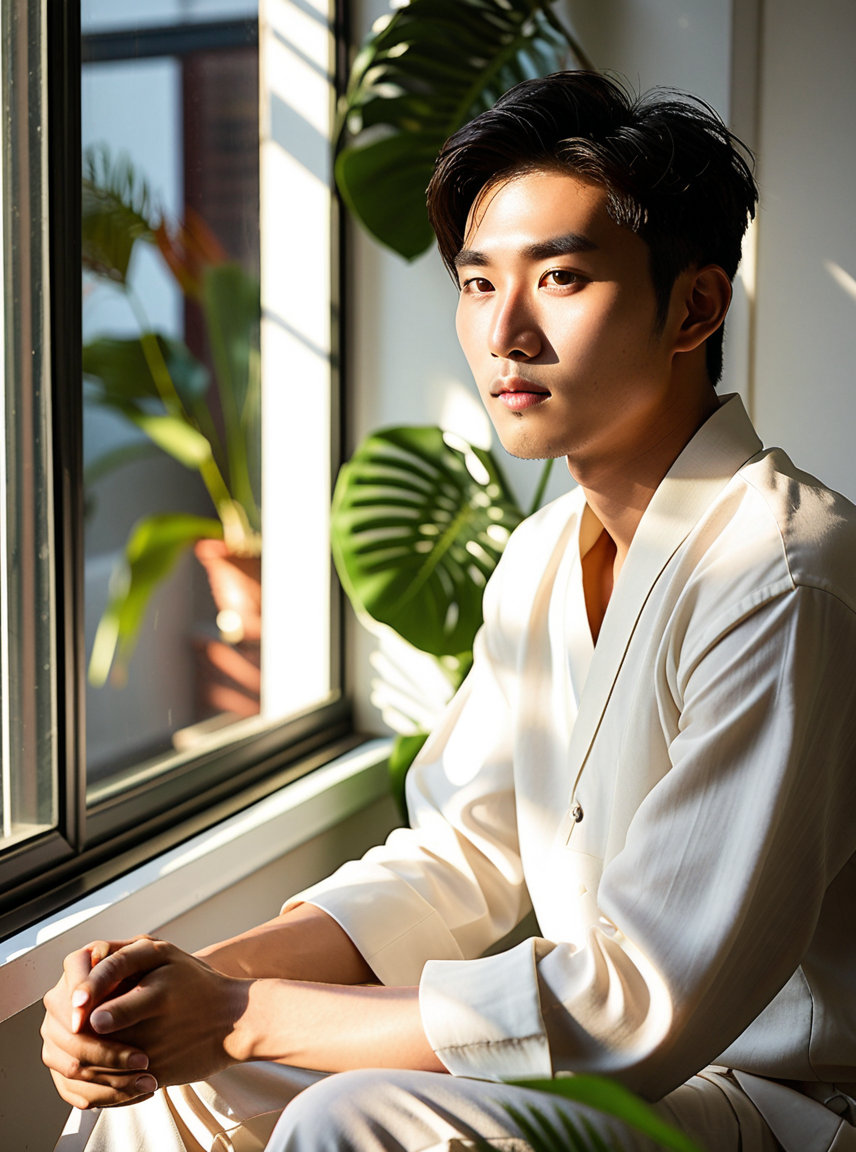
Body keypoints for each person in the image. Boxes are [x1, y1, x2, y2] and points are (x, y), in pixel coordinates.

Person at [42, 71, 856, 1151]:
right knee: (175, 1081)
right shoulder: (539, 558)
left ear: (693, 306)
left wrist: (243, 1017)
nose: (503, 332)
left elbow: (639, 1003)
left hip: (772, 1108)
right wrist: (178, 988)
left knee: (354, 1110)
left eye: (559, 278)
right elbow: (452, 862)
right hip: (619, 1081)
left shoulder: (785, 573)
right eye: (477, 285)